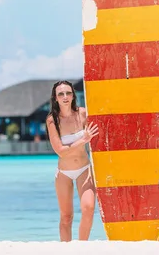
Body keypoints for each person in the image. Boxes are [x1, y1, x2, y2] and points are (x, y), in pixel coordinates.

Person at [46, 80, 99, 242]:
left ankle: (81, 248)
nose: (65, 97)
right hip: (64, 173)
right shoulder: (52, 120)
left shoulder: (82, 114)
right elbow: (60, 151)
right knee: (66, 217)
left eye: (68, 93)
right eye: (60, 94)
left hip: (84, 169)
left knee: (89, 209)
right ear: (55, 98)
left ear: (73, 95)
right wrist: (83, 140)